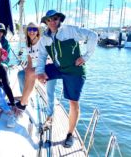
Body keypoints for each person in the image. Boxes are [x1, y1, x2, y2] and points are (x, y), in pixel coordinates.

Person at [34, 10, 97, 148]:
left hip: (74, 70)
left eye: (55, 18)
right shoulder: (44, 38)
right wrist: (40, 72)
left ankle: (70, 134)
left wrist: (85, 57)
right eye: (49, 20)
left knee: (73, 103)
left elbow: (93, 35)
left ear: (59, 19)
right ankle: (26, 106)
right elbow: (42, 56)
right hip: (58, 68)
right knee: (29, 74)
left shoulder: (70, 31)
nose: (52, 22)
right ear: (45, 22)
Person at [17, 22, 41, 105]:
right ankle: (25, 96)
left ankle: (24, 100)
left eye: (34, 29)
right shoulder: (28, 45)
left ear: (37, 31)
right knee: (21, 74)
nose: (32, 31)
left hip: (45, 67)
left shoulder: (41, 42)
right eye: (30, 29)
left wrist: (30, 72)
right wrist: (27, 69)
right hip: (37, 68)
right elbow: (30, 62)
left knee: (30, 74)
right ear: (27, 31)